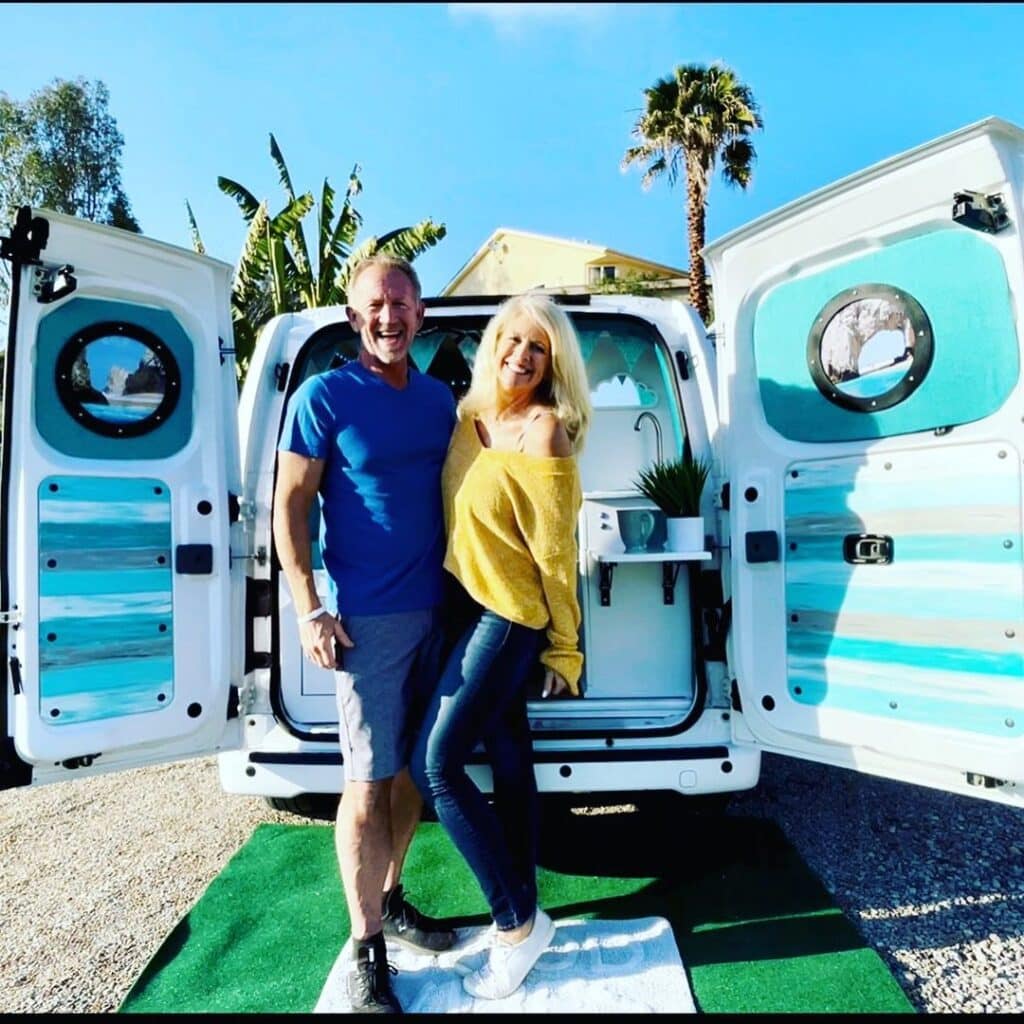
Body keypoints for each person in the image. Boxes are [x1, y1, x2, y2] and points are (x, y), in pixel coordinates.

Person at [273, 254, 457, 1014]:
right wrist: (309, 605)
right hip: (367, 622)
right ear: (354, 317)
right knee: (368, 780)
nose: (390, 317)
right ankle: (366, 946)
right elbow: (291, 501)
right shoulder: (325, 395)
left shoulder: (442, 399)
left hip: (442, 609)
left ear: (421, 315)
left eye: (403, 304)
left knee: (414, 769)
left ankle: (394, 894)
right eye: (376, 305)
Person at [410, 292, 592, 1000]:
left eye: (537, 348)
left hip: (511, 618)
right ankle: (527, 907)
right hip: (461, 606)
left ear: (552, 364)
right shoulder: (466, 419)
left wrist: (565, 650)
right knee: (510, 757)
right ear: (492, 344)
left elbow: (556, 555)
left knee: (436, 766)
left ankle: (515, 922)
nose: (520, 356)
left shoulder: (547, 433)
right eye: (512, 341)